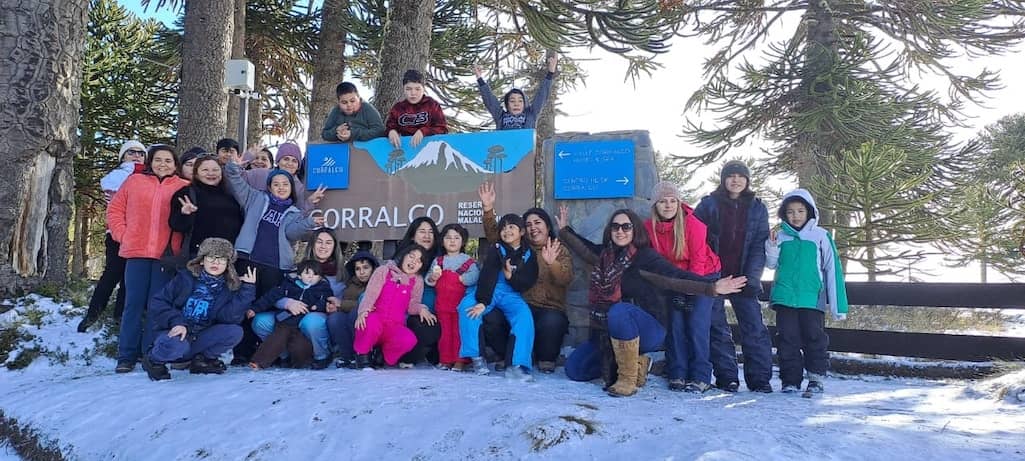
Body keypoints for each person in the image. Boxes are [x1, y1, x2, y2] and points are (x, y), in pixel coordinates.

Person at [558, 207, 746, 397]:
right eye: (615, 227)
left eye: (626, 226)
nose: (620, 231)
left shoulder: (644, 258)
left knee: (620, 311)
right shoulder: (605, 257)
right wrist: (564, 230)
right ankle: (635, 364)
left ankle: (627, 380)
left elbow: (675, 276)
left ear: (635, 230)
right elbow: (584, 248)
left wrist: (712, 286)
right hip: (611, 334)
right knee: (575, 369)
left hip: (649, 330)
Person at [223, 151, 323, 364]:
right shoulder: (255, 198)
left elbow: (294, 233)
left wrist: (310, 223)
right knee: (243, 305)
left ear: (291, 189)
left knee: (267, 308)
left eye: (285, 184)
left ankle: (269, 350)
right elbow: (235, 183)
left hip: (276, 266)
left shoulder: (294, 212)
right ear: (269, 186)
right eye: (276, 184)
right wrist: (234, 167)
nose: (280, 187)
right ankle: (242, 352)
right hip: (248, 259)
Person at [106, 144, 190, 373]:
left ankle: (150, 352)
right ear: (150, 162)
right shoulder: (134, 182)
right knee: (132, 304)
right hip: (136, 253)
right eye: (158, 160)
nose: (163, 164)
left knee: (157, 305)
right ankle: (126, 355)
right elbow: (114, 210)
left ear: (176, 165)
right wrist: (123, 236)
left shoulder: (183, 186)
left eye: (168, 160)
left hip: (166, 256)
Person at [694, 160, 774, 393]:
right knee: (717, 328)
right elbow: (697, 240)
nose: (736, 180)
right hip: (715, 278)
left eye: (741, 176)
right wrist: (708, 276)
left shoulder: (757, 207)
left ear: (747, 180)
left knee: (754, 328)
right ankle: (727, 377)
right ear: (723, 179)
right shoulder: (708, 205)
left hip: (743, 277)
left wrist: (752, 277)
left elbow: (760, 243)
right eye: (731, 175)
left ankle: (759, 379)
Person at [479, 183, 572, 373]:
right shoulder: (519, 249)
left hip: (549, 308)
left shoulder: (558, 248)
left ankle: (545, 358)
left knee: (552, 322)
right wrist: (488, 209)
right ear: (522, 230)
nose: (533, 228)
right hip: (520, 303)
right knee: (492, 316)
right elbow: (495, 236)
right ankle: (509, 356)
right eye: (528, 224)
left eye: (537, 223)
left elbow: (565, 278)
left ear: (547, 226)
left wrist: (551, 263)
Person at [766, 189, 848, 395]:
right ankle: (790, 381)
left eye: (800, 211)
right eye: (791, 211)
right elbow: (771, 264)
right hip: (784, 299)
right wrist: (772, 246)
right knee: (787, 339)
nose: (795, 216)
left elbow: (832, 270)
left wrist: (838, 307)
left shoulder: (821, 236)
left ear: (810, 212)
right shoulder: (780, 236)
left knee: (815, 338)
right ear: (784, 214)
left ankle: (816, 378)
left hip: (812, 299)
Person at [644, 181, 722, 393]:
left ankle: (701, 375)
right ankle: (677, 372)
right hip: (674, 278)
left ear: (679, 203)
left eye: (672, 201)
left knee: (696, 323)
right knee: (675, 324)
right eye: (663, 201)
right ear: (655, 205)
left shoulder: (693, 224)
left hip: (703, 275)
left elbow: (697, 261)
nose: (668, 205)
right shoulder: (648, 228)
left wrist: (689, 293)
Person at [141, 238, 256, 380]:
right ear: (202, 260)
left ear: (227, 265)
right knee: (177, 345)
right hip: (173, 334)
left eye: (221, 259)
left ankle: (202, 361)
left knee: (234, 332)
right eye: (211, 257)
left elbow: (229, 317)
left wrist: (247, 290)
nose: (216, 263)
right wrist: (177, 322)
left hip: (199, 337)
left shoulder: (227, 287)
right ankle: (154, 361)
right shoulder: (184, 279)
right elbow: (158, 302)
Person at [78, 140, 146, 332]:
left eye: (140, 153)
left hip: (140, 235)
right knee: (112, 273)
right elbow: (117, 199)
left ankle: (120, 314)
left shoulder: (149, 175)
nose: (136, 156)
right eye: (131, 152)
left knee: (130, 277)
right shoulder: (118, 175)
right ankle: (93, 313)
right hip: (118, 232)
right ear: (123, 156)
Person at [460, 214, 539, 381]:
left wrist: (511, 277)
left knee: (524, 317)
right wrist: (483, 302)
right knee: (467, 307)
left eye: (511, 227)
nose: (506, 231)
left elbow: (527, 282)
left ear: (522, 232)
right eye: (503, 227)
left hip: (511, 294)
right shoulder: (496, 249)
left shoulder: (529, 255)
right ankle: (477, 358)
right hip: (490, 289)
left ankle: (517, 365)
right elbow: (487, 275)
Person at [352, 245, 434, 368]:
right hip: (376, 319)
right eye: (411, 257)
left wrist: (421, 309)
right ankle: (362, 355)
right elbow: (370, 294)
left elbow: (412, 305)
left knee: (408, 339)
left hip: (394, 325)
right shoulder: (384, 271)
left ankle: (382, 356)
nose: (413, 262)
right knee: (368, 322)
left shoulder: (417, 281)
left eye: (418, 261)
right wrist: (363, 311)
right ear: (403, 256)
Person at [249, 260, 336, 369]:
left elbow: (327, 301)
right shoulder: (289, 285)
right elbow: (270, 297)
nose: (311, 277)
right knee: (276, 339)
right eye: (307, 273)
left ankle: (302, 361)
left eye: (315, 274)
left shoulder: (322, 288)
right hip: (286, 320)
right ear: (299, 275)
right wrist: (255, 309)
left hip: (302, 323)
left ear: (320, 277)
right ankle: (261, 361)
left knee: (298, 346)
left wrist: (317, 307)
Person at [425, 223, 479, 371]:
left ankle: (460, 360)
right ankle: (445, 360)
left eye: (456, 237)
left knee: (458, 333)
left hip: (460, 305)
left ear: (463, 241)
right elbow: (429, 279)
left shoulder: (468, 260)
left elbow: (475, 276)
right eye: (448, 238)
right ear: (442, 241)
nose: (452, 241)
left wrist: (462, 279)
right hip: (442, 305)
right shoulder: (438, 261)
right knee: (445, 333)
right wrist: (433, 277)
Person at [168, 155, 244, 258]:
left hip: (227, 255)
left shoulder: (231, 194)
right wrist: (184, 214)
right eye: (205, 170)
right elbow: (176, 225)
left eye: (215, 169)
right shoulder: (187, 193)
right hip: (198, 254)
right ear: (196, 173)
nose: (211, 173)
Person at [392, 217, 442, 367]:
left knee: (429, 329)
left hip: (430, 314)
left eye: (430, 232)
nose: (427, 236)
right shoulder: (399, 261)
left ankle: (413, 355)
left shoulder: (441, 260)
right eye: (422, 231)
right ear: (413, 235)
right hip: (402, 313)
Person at [474, 55, 557, 130]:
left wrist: (550, 73)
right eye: (512, 101)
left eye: (520, 101)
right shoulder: (500, 116)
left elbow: (541, 96)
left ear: (525, 103)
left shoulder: (531, 114)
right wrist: (480, 79)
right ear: (507, 104)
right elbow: (490, 101)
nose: (516, 104)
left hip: (524, 146)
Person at [331, 250, 379, 369]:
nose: (362, 272)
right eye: (358, 269)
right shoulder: (351, 284)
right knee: (335, 319)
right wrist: (335, 306)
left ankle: (364, 353)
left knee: (355, 314)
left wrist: (341, 304)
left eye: (366, 267)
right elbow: (344, 305)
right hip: (349, 318)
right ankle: (347, 355)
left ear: (373, 268)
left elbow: (369, 305)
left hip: (372, 319)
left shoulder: (377, 283)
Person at [385, 69, 448, 149]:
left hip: (430, 149)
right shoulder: (398, 108)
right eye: (408, 89)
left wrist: (423, 131)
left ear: (423, 89)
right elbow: (389, 127)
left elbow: (442, 129)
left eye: (417, 89)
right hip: (406, 150)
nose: (413, 93)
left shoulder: (432, 105)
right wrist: (391, 131)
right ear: (403, 89)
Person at [322, 82, 386, 142]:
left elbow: (379, 131)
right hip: (342, 149)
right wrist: (336, 131)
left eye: (352, 101)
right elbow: (324, 134)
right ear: (339, 102)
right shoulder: (336, 111)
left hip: (365, 149)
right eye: (344, 102)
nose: (349, 105)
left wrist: (353, 134)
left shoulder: (367, 109)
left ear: (358, 98)